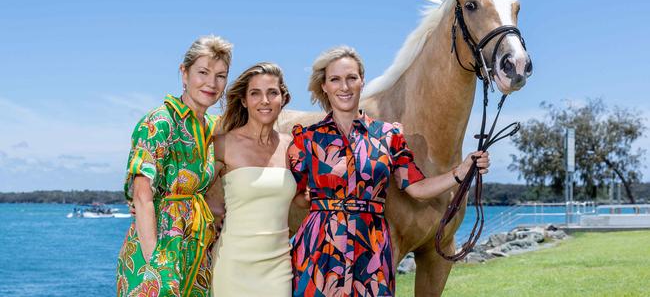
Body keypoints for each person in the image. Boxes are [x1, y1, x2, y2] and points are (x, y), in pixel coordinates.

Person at [288, 46, 491, 297]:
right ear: (325, 86)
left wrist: (461, 171)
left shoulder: (389, 136)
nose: (345, 86)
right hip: (319, 248)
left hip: (371, 251)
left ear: (362, 81)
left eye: (352, 78)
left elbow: (417, 188)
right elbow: (294, 196)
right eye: (335, 79)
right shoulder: (306, 139)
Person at [116, 35, 232, 297]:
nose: (211, 83)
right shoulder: (160, 123)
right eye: (203, 72)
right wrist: (155, 265)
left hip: (197, 249)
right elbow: (142, 197)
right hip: (159, 246)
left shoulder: (211, 128)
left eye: (221, 76)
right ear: (184, 72)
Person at [207, 62, 309, 296]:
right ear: (244, 100)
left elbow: (301, 200)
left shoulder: (293, 147)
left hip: (278, 269)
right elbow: (191, 188)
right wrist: (149, 197)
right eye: (255, 93)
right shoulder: (222, 145)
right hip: (233, 267)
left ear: (282, 98)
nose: (265, 100)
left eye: (272, 92)